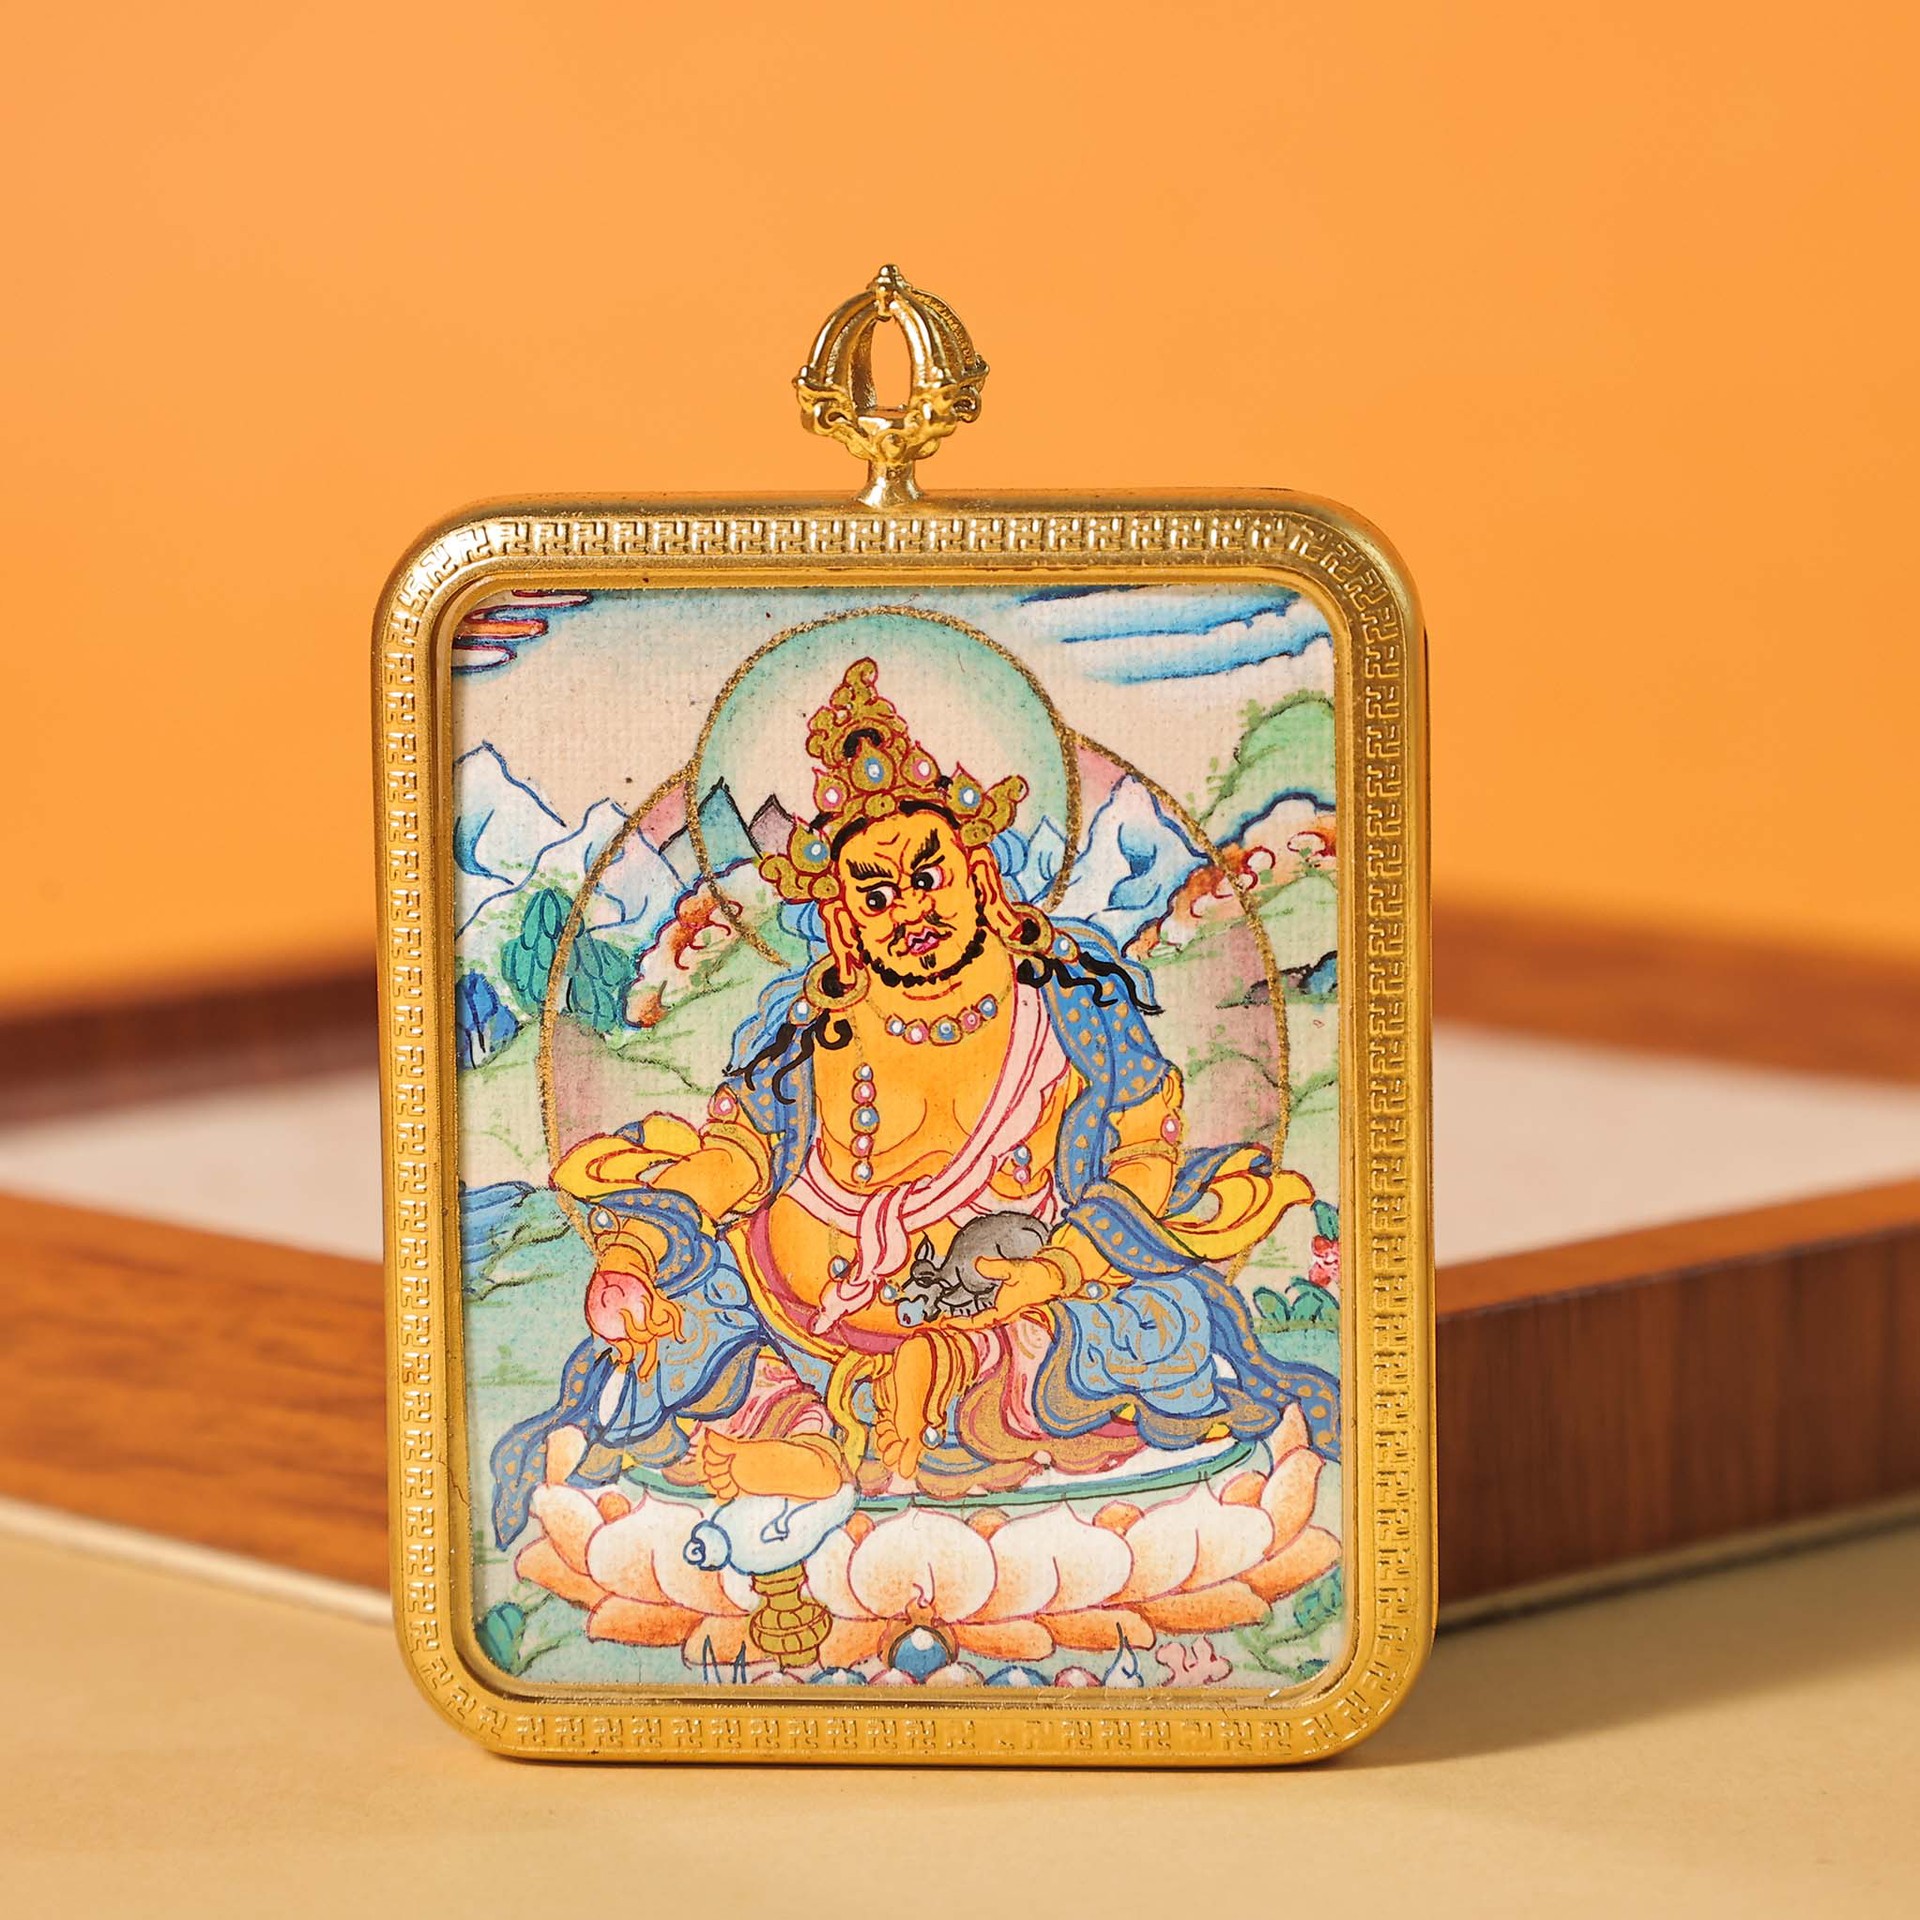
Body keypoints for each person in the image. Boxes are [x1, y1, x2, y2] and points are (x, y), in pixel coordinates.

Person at [492, 658, 1324, 1547]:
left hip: (1009, 1298)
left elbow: (1141, 1153)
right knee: (682, 1321)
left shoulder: (1072, 1002)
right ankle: (813, 1431)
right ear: (845, 920)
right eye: (877, 896)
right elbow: (737, 1155)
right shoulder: (815, 1024)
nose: (910, 912)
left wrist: (1058, 1268)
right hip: (799, 1307)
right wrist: (638, 1248)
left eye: (930, 879)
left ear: (981, 878)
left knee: (1166, 1324)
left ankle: (876, 1406)